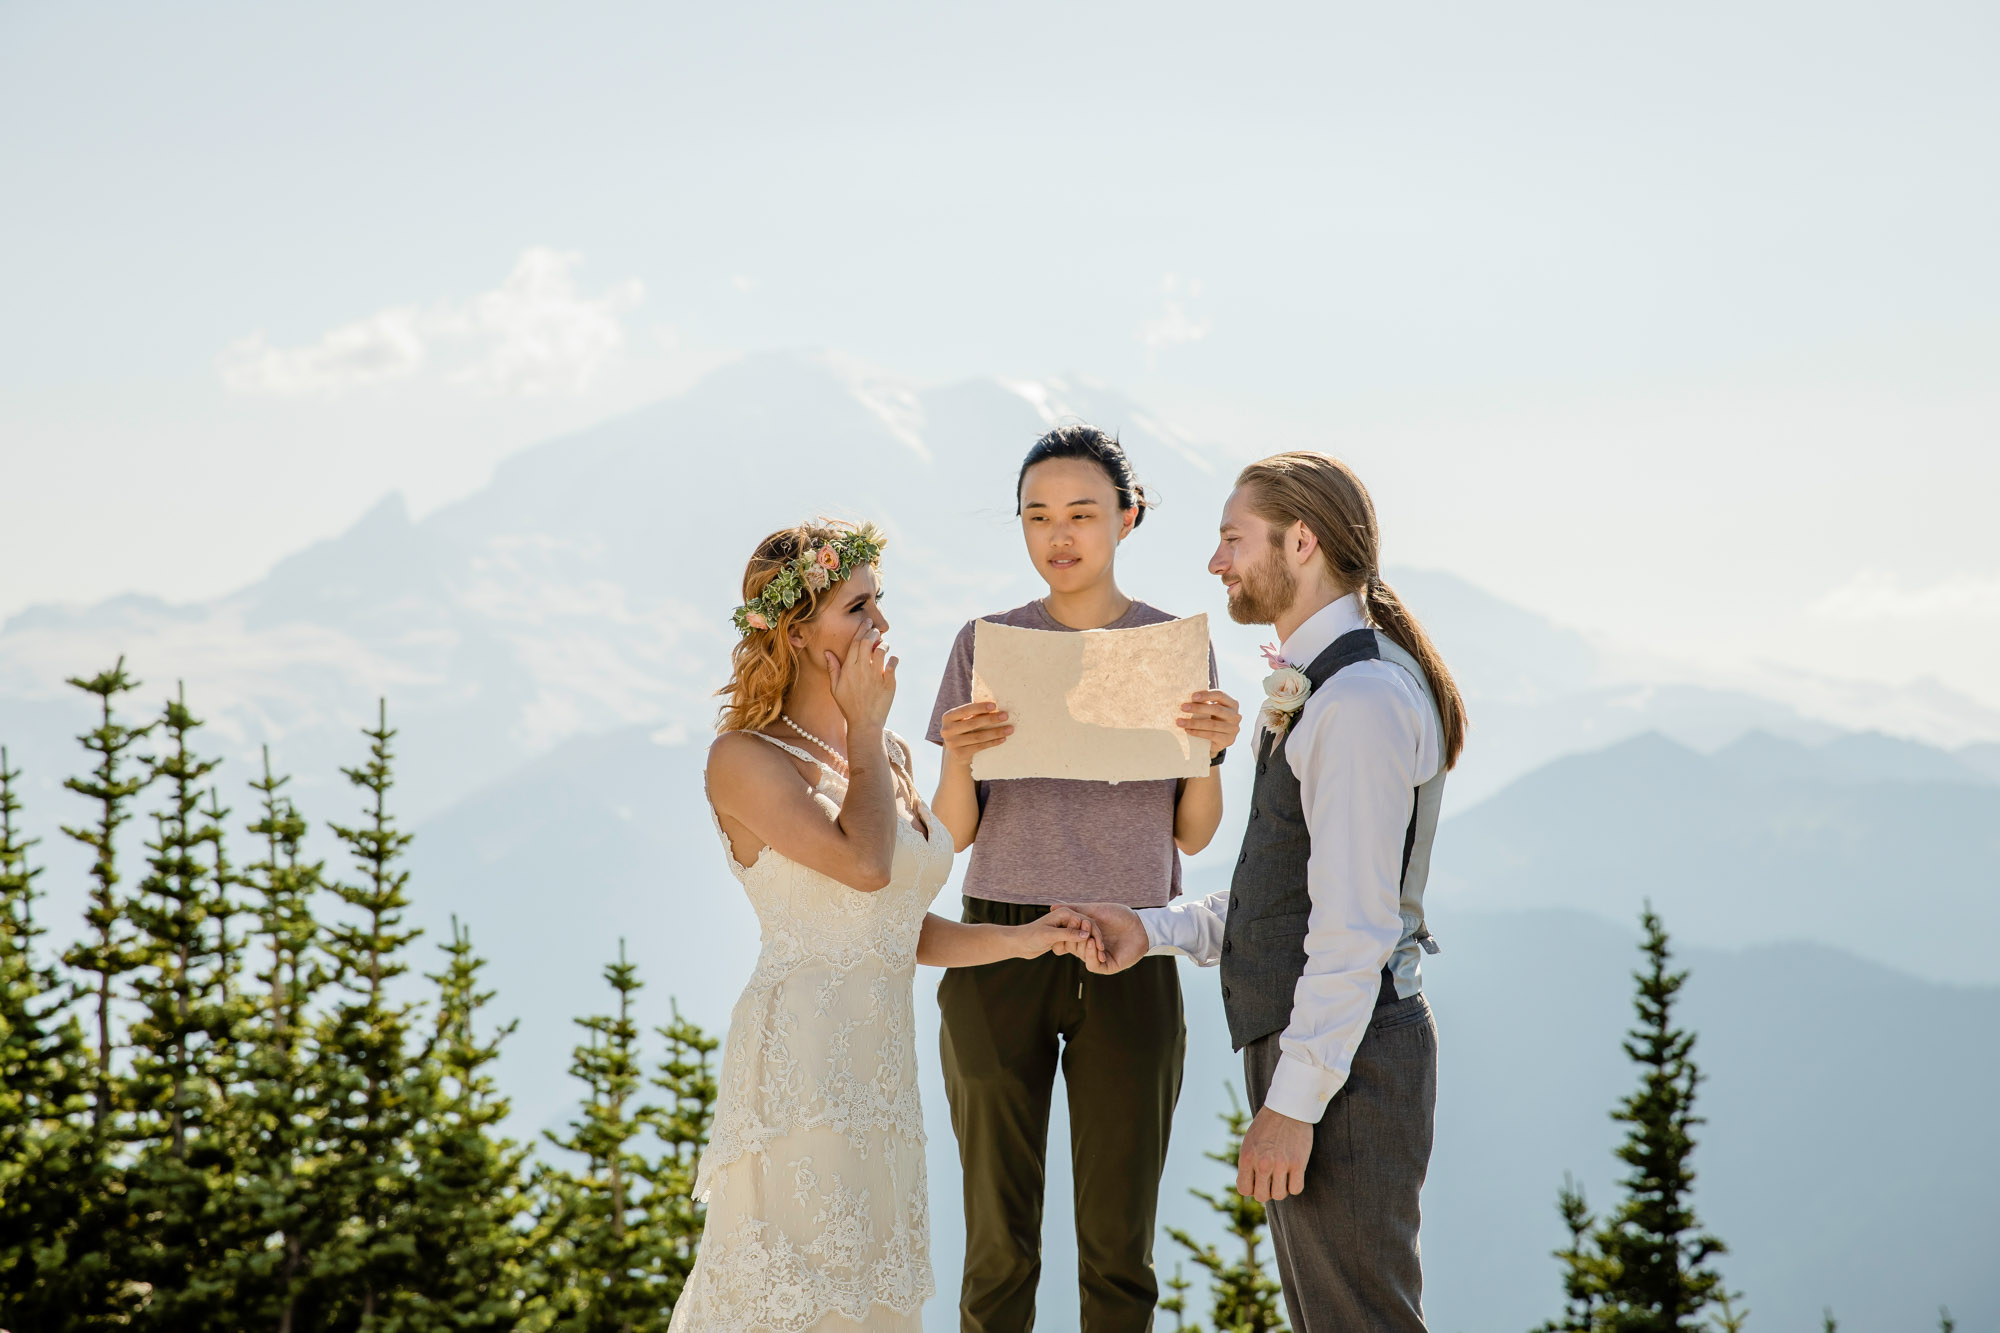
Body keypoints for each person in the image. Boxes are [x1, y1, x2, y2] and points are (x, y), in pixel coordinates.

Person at [1064, 452, 1469, 1333]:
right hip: (1327, 1056)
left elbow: (1354, 928)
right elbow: (1285, 890)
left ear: (1302, 540)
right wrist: (1152, 928)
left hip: (1344, 1067)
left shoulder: (1357, 700)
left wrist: (1292, 1105)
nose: (1217, 563)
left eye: (1231, 539)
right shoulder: (1321, 687)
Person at [675, 519, 1100, 1333]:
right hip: (800, 1060)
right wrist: (865, 728)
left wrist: (1024, 935)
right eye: (857, 606)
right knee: (800, 1289)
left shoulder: (889, 758)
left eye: (881, 602)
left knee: (873, 1284)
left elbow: (891, 923)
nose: (882, 625)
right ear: (797, 633)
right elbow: (866, 865)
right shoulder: (745, 758)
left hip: (881, 1067)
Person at [927, 425, 1242, 1333]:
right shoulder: (983, 644)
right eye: (1037, 516)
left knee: (1118, 1248)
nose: (1058, 535)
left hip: (1134, 942)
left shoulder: (1172, 647)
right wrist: (957, 757)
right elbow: (952, 834)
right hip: (996, 943)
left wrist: (1212, 752)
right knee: (996, 1243)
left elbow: (1193, 828)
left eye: (1081, 514)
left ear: (1127, 518)